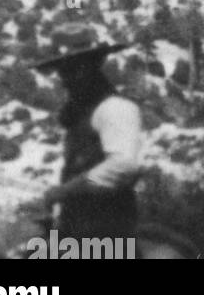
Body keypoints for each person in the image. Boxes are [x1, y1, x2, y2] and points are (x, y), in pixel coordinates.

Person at [32, 22, 143, 243]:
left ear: (95, 65)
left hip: (107, 232)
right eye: (64, 71)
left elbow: (124, 165)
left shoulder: (115, 108)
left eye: (76, 68)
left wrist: (65, 191)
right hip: (75, 229)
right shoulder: (80, 116)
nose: (67, 79)